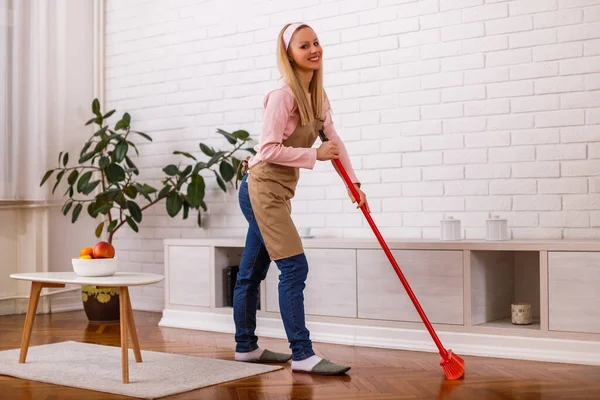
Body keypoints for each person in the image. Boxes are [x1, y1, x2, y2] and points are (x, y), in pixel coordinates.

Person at [233, 22, 369, 376]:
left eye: (316, 43)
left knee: (252, 271)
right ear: (289, 55)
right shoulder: (282, 95)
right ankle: (303, 354)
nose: (313, 49)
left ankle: (245, 347)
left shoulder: (318, 96)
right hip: (260, 188)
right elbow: (268, 149)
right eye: (303, 45)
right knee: (294, 266)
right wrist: (313, 156)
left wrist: (354, 185)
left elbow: (334, 143)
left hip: (276, 192)